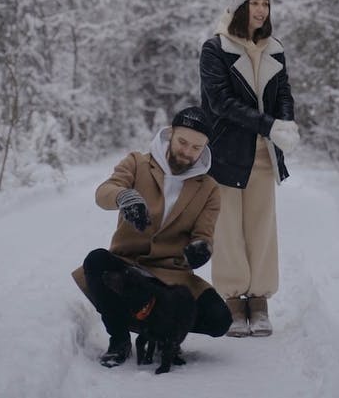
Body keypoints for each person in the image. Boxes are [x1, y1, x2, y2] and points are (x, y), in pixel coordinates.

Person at [71, 106, 232, 367]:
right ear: (171, 133)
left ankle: (165, 332)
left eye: (196, 147)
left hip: (172, 280)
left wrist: (201, 248)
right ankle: (119, 338)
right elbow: (105, 191)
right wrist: (123, 197)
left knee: (220, 320)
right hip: (129, 269)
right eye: (182, 142)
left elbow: (204, 233)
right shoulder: (137, 162)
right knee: (96, 261)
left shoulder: (209, 188)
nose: (187, 151)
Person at [200, 0, 299, 338]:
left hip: (263, 154)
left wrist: (286, 124)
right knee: (228, 230)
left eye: (265, 3)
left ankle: (258, 302)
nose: (261, 10)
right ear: (239, 7)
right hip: (225, 153)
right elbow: (219, 102)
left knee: (262, 228)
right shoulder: (215, 49)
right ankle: (232, 299)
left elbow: (284, 92)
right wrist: (267, 124)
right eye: (254, 3)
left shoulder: (275, 48)